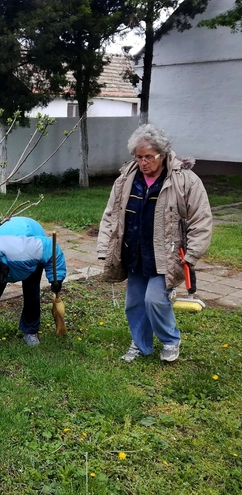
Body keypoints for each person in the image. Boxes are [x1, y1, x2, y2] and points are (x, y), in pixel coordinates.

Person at [97, 124, 212, 363]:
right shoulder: (126, 178)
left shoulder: (184, 180)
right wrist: (104, 248)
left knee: (155, 299)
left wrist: (191, 255)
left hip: (167, 254)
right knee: (135, 302)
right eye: (139, 157)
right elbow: (111, 214)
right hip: (134, 251)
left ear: (163, 153)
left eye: (149, 157)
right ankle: (141, 344)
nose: (143, 162)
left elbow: (200, 219)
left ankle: (170, 340)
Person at [0, 217, 66, 348]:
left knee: (31, 292)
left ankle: (30, 331)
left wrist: (56, 277)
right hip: (2, 233)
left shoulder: (27, 251)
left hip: (29, 231)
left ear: (1, 275)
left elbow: (52, 249)